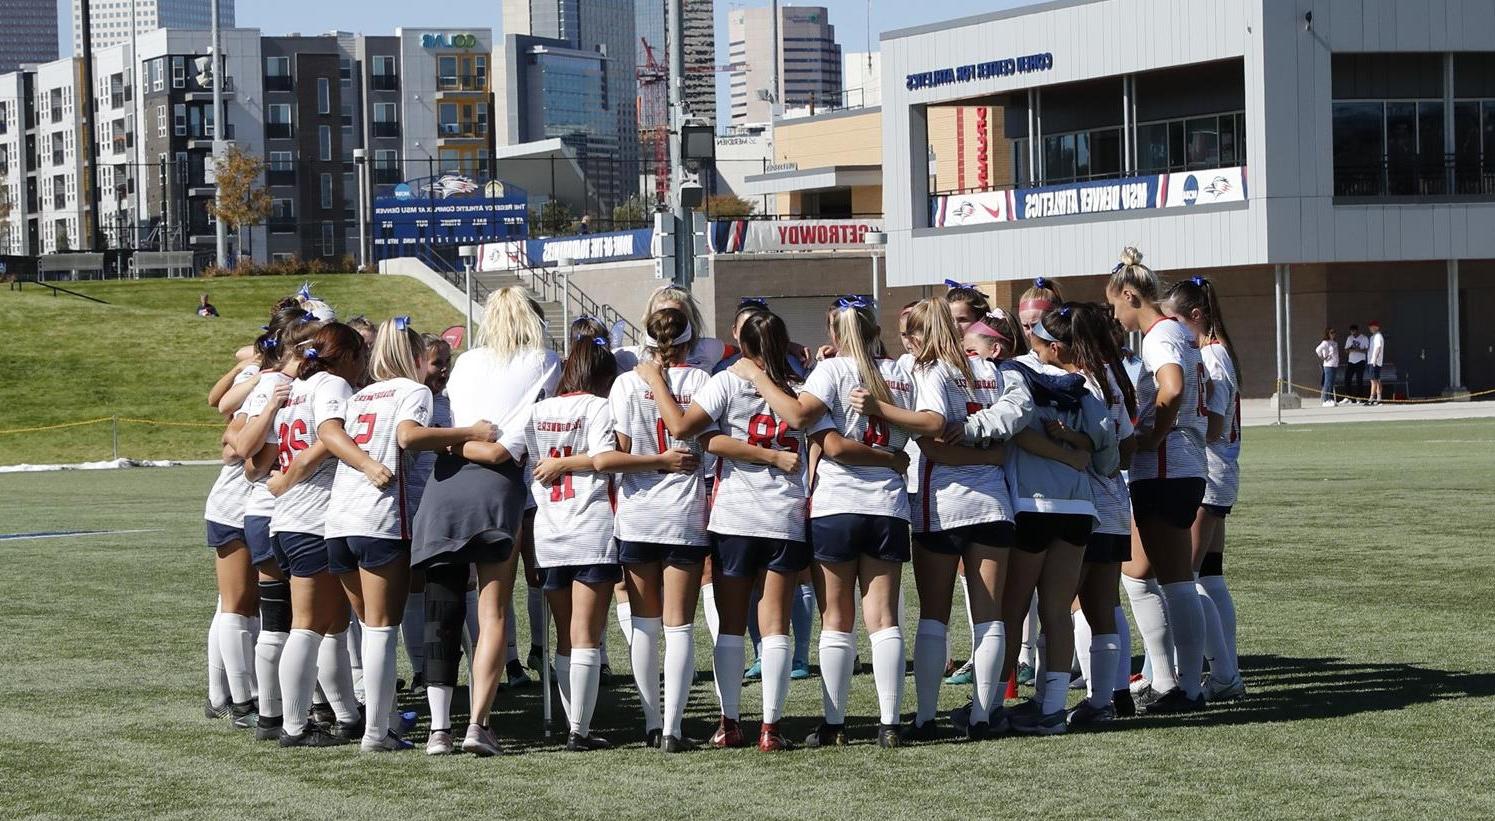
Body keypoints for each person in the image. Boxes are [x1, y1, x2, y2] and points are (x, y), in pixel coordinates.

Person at [737, 297, 914, 749]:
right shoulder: (900, 372)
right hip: (888, 505)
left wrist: (758, 375)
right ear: (875, 331)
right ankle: (889, 722)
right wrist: (892, 459)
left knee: (837, 617)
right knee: (884, 616)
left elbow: (818, 434)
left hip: (837, 504)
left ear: (835, 334)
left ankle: (835, 724)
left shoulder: (832, 371)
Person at [324, 317, 498, 752]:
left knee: (360, 629)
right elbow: (409, 436)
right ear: (414, 356)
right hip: (379, 518)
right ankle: (376, 732)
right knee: (381, 630)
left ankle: (366, 718)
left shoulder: (361, 393)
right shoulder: (413, 391)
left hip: (338, 519)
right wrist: (470, 432)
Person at [642, 309, 810, 752]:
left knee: (732, 625)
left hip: (736, 516)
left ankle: (730, 722)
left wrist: (655, 380)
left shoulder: (727, 381)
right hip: (785, 514)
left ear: (745, 342)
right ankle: (771, 728)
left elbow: (684, 429)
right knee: (775, 627)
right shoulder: (801, 385)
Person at [853, 298, 1015, 741]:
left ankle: (926, 717)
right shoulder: (988, 369)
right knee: (989, 616)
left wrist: (878, 410)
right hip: (993, 500)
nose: (908, 342)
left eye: (912, 333)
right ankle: (982, 716)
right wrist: (993, 454)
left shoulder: (931, 371)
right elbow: (999, 432)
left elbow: (933, 433)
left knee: (934, 615)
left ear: (926, 334)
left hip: (942, 502)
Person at [410, 287, 560, 757]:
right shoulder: (543, 359)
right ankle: (478, 723)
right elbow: (500, 450)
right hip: (497, 488)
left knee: (443, 608)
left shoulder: (469, 362)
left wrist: (456, 446)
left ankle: (439, 729)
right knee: (492, 610)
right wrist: (473, 446)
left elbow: (449, 436)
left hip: (446, 485)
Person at [964, 303, 1119, 734]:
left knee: (1011, 610)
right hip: (1079, 508)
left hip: (1032, 505)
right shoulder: (1082, 385)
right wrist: (1076, 451)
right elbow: (1106, 452)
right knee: (1056, 610)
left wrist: (969, 431)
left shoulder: (1013, 373)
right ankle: (1051, 710)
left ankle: (989, 707)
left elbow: (1016, 423)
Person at [597, 307, 711, 753]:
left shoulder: (627, 383)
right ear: (687, 342)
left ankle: (651, 723)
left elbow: (617, 453)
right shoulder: (701, 382)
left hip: (639, 513)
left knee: (644, 625)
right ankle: (673, 729)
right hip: (683, 513)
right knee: (679, 627)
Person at [1105, 247, 1211, 714]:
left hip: (1169, 465)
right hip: (1178, 465)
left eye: (1114, 305)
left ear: (1130, 295)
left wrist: (1150, 436)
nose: (1115, 315)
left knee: (1176, 579)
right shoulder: (1176, 332)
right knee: (1137, 573)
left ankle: (1188, 688)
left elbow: (1172, 387)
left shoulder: (1159, 335)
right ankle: (1166, 680)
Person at [266, 322, 378, 747]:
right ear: (347, 355)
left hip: (295, 518)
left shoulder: (298, 387)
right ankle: (294, 726)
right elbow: (330, 437)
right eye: (361, 356)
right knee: (309, 627)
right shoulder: (331, 384)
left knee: (333, 624)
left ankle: (348, 716)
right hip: (309, 518)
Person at [518, 318, 622, 752]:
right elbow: (601, 459)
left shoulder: (538, 410)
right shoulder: (598, 407)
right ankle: (579, 728)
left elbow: (536, 467)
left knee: (565, 633)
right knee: (586, 635)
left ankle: (573, 724)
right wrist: (568, 463)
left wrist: (559, 464)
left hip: (551, 527)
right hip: (589, 525)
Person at [232, 312, 316, 741]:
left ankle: (275, 713)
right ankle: (279, 713)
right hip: (277, 508)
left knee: (283, 619)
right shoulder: (277, 385)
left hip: (272, 509)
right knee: (291, 620)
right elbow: (242, 451)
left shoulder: (293, 384)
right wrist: (270, 411)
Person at [1164, 277, 1246, 703]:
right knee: (1209, 576)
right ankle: (1225, 669)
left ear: (1196, 316)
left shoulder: (1211, 356)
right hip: (1220, 470)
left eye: (1177, 319)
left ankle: (1211, 673)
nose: (1172, 329)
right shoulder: (1216, 352)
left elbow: (1213, 425)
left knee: (1186, 577)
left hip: (1209, 470)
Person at [399, 333, 454, 695]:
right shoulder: (410, 400)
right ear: (418, 363)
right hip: (414, 504)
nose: (443, 370)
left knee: (458, 586)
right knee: (414, 589)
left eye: (448, 362)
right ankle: (421, 670)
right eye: (437, 362)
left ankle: (479, 664)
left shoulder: (450, 403)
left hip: (447, 505)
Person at [1315, 328, 1341, 407]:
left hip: (1334, 364)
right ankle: (1325, 400)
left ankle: (1330, 398)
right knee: (1328, 382)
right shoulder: (1325, 343)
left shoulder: (1334, 343)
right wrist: (1323, 357)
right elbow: (1317, 349)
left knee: (1332, 382)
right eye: (1331, 333)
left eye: (1334, 333)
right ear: (1328, 334)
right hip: (1328, 365)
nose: (1333, 334)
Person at [1344, 324, 1369, 401]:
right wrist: (1349, 349)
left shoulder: (1364, 338)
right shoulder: (1349, 338)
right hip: (1351, 361)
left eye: (1354, 331)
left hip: (1360, 361)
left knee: (1359, 379)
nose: (1353, 333)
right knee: (1347, 378)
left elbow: (1366, 350)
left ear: (1357, 331)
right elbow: (1346, 350)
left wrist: (1358, 349)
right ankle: (1348, 397)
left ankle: (1359, 397)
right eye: (1351, 331)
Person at [1367, 320, 1386, 405]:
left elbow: (1378, 348)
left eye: (1373, 326)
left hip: (1374, 361)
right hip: (1371, 360)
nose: (1370, 328)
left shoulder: (1378, 336)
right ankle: (1379, 398)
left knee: (1373, 380)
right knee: (1377, 380)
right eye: (1370, 326)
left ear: (1377, 327)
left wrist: (1374, 360)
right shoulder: (1372, 337)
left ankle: (1371, 398)